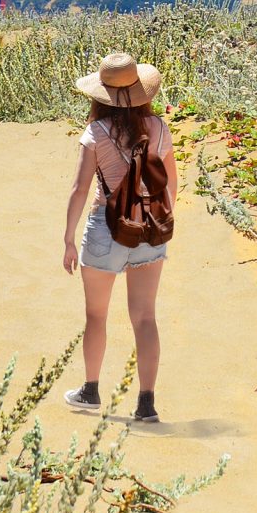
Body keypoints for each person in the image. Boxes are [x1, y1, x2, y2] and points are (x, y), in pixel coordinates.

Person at [62, 50, 177, 423]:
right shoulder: (159, 128)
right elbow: (171, 185)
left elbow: (80, 189)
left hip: (105, 229)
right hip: (149, 229)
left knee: (96, 315)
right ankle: (147, 404)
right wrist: (160, 222)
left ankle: (91, 391)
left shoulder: (95, 132)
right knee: (145, 317)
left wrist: (68, 237)